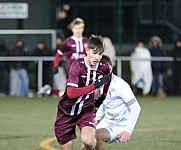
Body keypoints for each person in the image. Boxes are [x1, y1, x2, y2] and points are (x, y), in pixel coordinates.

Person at [54, 35, 112, 150]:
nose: (97, 57)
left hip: (86, 110)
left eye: (100, 54)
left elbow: (109, 74)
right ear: (87, 51)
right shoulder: (77, 65)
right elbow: (71, 93)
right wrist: (95, 85)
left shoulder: (104, 67)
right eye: (94, 53)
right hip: (66, 111)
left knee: (88, 141)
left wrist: (104, 95)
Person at [94, 55, 141, 150]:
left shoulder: (120, 85)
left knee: (96, 136)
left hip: (120, 125)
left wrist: (127, 131)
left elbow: (136, 108)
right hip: (107, 121)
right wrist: (97, 118)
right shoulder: (102, 82)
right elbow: (105, 101)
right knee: (86, 142)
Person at [38, 17, 88, 96]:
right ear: (72, 29)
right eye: (76, 28)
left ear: (83, 29)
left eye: (80, 28)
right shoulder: (68, 42)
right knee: (75, 94)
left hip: (85, 70)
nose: (78, 30)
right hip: (72, 71)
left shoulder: (86, 41)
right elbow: (58, 54)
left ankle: (49, 91)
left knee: (75, 94)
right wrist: (55, 66)